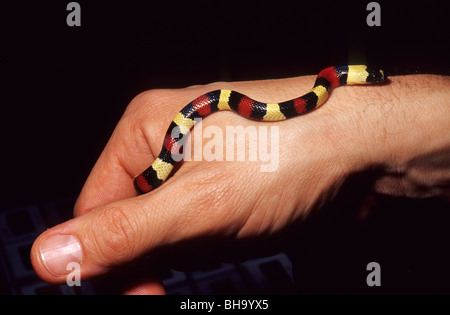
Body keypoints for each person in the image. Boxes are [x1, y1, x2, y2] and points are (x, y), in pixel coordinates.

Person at [30, 72, 450, 294]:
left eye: (374, 78)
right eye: (372, 77)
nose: (378, 79)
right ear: (346, 77)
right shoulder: (326, 83)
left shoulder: (328, 84)